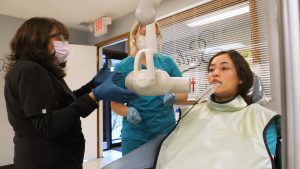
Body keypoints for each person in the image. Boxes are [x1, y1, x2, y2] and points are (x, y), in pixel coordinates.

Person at [4, 17, 137, 169]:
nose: (64, 43)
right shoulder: (31, 70)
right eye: (58, 38)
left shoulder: (40, 70)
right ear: (36, 39)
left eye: (65, 39)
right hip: (46, 160)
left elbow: (63, 103)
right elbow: (48, 125)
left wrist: (92, 85)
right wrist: (94, 96)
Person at [155, 50, 281, 169]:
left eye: (224, 68)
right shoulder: (191, 113)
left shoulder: (261, 118)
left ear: (241, 78)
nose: (214, 73)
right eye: (211, 69)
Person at [111, 21, 189, 156]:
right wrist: (128, 111)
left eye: (154, 34)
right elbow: (115, 104)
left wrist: (174, 98)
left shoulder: (167, 62)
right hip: (135, 135)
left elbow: (183, 93)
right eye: (144, 33)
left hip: (165, 131)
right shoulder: (122, 67)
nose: (149, 38)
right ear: (135, 35)